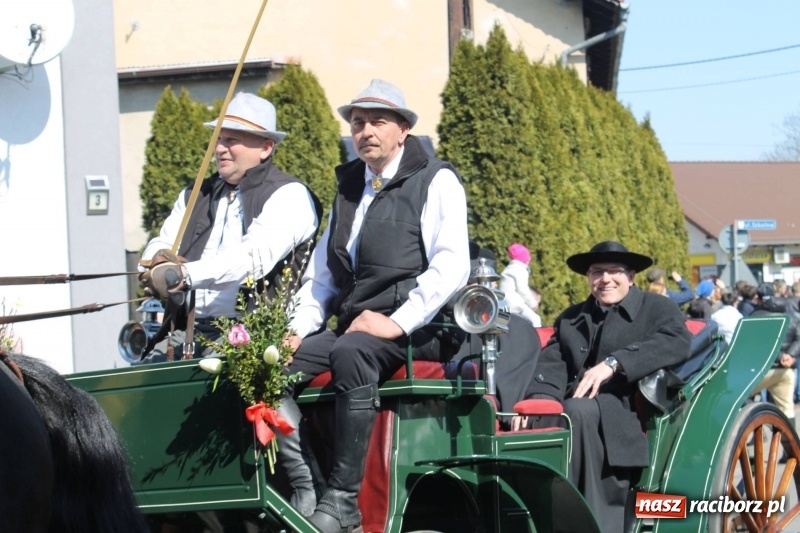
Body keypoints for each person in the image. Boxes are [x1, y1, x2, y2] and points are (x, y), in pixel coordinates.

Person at [280, 79, 470, 531]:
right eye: (357, 122)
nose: (365, 131)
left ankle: (343, 501)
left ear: (403, 129)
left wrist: (396, 323)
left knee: (351, 350)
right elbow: (322, 278)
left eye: (377, 122)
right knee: (266, 368)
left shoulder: (436, 179)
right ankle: (308, 486)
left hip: (423, 330)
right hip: (356, 329)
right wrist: (298, 329)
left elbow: (451, 266)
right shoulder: (348, 187)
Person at [138, 92, 322, 362]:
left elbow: (250, 259)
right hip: (184, 332)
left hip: (249, 333)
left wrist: (183, 275)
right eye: (219, 139)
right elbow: (162, 242)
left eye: (232, 140)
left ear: (266, 147)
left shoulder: (290, 195)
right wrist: (157, 261)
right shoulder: (195, 194)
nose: (221, 148)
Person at [524, 241, 691, 533]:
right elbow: (552, 363)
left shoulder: (657, 307)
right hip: (573, 409)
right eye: (597, 272)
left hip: (627, 409)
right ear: (588, 278)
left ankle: (594, 520)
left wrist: (615, 363)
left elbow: (676, 342)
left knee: (576, 411)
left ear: (631, 277)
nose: (605, 279)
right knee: (549, 414)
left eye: (615, 271)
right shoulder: (571, 317)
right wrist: (539, 400)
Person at [750, 283, 800, 423]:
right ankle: (791, 443)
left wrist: (781, 357)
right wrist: (790, 356)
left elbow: (759, 345)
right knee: (787, 408)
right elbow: (798, 338)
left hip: (761, 370)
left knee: (741, 399)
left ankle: (757, 428)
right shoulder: (789, 315)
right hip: (785, 369)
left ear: (757, 298)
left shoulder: (753, 317)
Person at [500, 243, 542, 327]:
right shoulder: (519, 269)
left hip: (504, 305)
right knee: (535, 319)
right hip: (515, 305)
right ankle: (538, 338)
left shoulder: (510, 268)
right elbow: (523, 290)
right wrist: (533, 304)